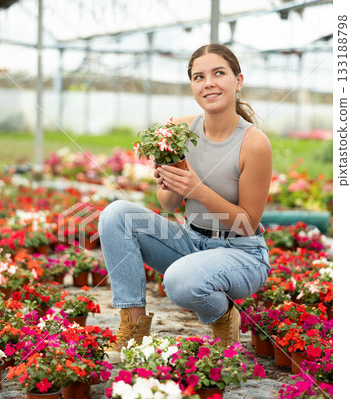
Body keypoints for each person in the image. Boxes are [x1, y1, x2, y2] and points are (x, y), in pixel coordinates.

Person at [98, 43, 272, 363]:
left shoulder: (254, 143)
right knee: (116, 214)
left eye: (219, 73)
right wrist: (171, 181)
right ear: (192, 86)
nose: (209, 83)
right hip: (191, 239)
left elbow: (247, 223)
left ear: (238, 80)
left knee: (179, 281)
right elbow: (167, 204)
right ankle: (133, 327)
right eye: (198, 77)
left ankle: (223, 316)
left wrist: (198, 189)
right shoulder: (180, 129)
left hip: (241, 252)